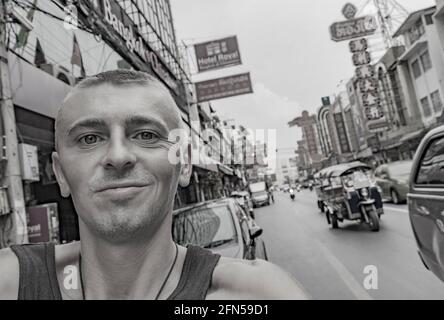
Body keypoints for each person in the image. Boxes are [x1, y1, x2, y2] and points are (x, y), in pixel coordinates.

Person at [0, 70, 308, 300]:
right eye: (90, 138)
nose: (118, 156)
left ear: (184, 162)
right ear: (61, 173)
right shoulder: (10, 283)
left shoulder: (251, 297)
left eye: (146, 135)